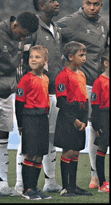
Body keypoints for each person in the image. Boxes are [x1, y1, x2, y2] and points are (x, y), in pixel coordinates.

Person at [0, 12, 39, 199]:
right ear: (15, 25)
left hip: (7, 94)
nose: (24, 38)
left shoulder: (21, 38)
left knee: (3, 138)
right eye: (23, 33)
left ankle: (2, 185)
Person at [56, 0, 109, 189]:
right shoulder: (72, 21)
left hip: (99, 86)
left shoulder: (104, 24)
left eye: (96, 4)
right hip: (79, 84)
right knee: (73, 132)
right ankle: (59, 182)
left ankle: (95, 178)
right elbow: (52, 37)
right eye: (89, 3)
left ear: (101, 5)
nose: (92, 7)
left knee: (98, 130)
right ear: (83, 3)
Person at [15, 0, 62, 195]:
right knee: (27, 145)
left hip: (49, 90)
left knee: (46, 141)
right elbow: (22, 57)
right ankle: (21, 184)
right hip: (32, 94)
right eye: (52, 1)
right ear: (42, 6)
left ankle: (47, 182)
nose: (57, 3)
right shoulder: (33, 29)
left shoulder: (56, 28)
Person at [54, 41, 93, 197]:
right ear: (70, 56)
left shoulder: (82, 74)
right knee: (68, 151)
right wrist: (73, 120)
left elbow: (84, 99)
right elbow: (62, 102)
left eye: (85, 55)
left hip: (80, 117)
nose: (84, 58)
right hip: (67, 118)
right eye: (81, 55)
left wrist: (83, 119)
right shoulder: (62, 76)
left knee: (76, 152)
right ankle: (65, 188)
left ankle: (73, 185)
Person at [15, 45, 52, 200]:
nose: (33, 60)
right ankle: (26, 189)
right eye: (31, 57)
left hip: (42, 118)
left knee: (39, 154)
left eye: (37, 57)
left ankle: (35, 187)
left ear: (45, 61)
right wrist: (21, 124)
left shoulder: (46, 78)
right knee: (30, 153)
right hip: (30, 118)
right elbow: (19, 103)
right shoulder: (26, 79)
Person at [91, 48, 109, 193]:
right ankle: (102, 183)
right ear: (106, 63)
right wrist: (97, 125)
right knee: (102, 148)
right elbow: (95, 105)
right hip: (104, 116)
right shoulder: (99, 81)